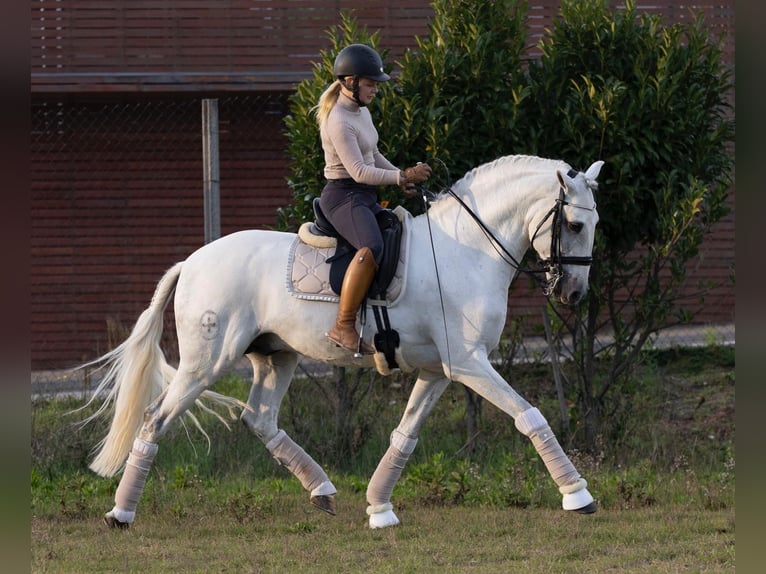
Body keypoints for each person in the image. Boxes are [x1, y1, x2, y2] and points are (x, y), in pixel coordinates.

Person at [315, 43, 432, 355]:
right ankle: (343, 324)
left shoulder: (360, 112)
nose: (375, 90)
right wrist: (402, 176)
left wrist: (399, 178)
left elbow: (374, 154)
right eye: (370, 84)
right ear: (350, 82)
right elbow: (358, 171)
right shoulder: (338, 120)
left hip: (364, 195)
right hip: (344, 196)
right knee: (373, 247)